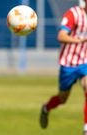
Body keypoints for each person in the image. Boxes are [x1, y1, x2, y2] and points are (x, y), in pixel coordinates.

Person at [39, 0, 87, 133]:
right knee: (62, 99)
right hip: (68, 64)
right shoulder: (73, 14)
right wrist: (79, 41)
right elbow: (61, 36)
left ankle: (86, 128)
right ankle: (46, 108)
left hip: (85, 62)